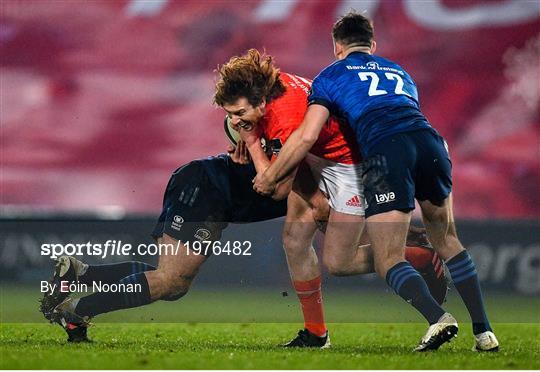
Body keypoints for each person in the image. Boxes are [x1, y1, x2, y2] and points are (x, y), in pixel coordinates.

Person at [253, 12, 498, 352]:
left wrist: (272, 173)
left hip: (388, 152)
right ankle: (485, 334)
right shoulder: (400, 72)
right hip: (432, 143)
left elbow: (308, 135)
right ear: (373, 45)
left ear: (337, 45)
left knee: (388, 258)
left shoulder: (331, 75)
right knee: (447, 238)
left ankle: (438, 319)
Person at [40, 144, 445, 344]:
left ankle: (82, 276)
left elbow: (337, 225)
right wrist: (407, 246)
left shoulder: (326, 173)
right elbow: (334, 225)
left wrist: (405, 238)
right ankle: (79, 310)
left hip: (213, 193)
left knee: (173, 284)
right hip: (205, 187)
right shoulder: (322, 175)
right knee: (169, 282)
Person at [214, 49, 446, 348]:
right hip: (319, 154)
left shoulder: (283, 119)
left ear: (259, 101)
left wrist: (251, 142)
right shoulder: (269, 88)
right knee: (295, 238)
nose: (234, 121)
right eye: (229, 114)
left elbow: (276, 188)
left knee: (340, 262)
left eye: (240, 114)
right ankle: (316, 333)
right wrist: (251, 128)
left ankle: (421, 256)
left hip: (351, 167)